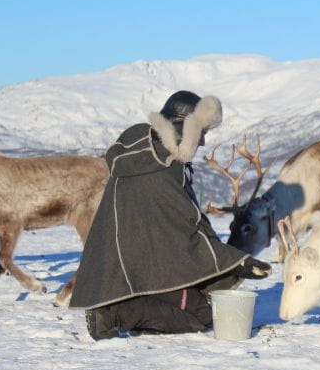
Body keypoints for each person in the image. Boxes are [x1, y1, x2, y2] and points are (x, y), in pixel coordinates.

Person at [69, 90, 271, 340]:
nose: (202, 143)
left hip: (122, 271)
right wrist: (239, 263)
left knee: (198, 306)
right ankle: (113, 315)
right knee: (203, 316)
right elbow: (188, 230)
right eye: (201, 133)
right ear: (184, 129)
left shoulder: (145, 156)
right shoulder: (162, 170)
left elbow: (171, 231)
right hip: (140, 270)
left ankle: (122, 309)